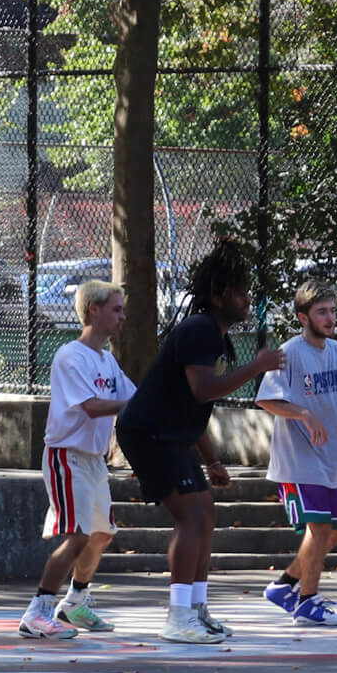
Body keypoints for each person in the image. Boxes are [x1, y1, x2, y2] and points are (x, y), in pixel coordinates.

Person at [115, 240, 285, 645]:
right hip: (148, 432)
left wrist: (212, 460)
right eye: (241, 293)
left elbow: (193, 409)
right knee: (191, 517)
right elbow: (202, 389)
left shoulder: (216, 338)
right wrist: (256, 367)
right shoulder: (198, 330)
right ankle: (177, 617)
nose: (248, 300)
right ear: (218, 296)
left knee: (205, 514)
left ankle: (196, 609)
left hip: (172, 433)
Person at [256, 281, 337, 628]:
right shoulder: (290, 353)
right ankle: (307, 601)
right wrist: (304, 413)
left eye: (332, 310)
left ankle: (284, 586)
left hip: (328, 458)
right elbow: (267, 399)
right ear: (303, 317)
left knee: (336, 533)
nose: (330, 318)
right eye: (322, 312)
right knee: (319, 529)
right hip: (297, 459)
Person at [19, 280, 132, 639]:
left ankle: (75, 603)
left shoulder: (108, 361)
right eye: (116, 309)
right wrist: (138, 405)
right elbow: (91, 406)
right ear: (93, 311)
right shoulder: (70, 356)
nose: (122, 316)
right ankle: (37, 612)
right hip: (66, 457)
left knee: (101, 534)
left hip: (94, 461)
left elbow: (136, 397)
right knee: (79, 536)